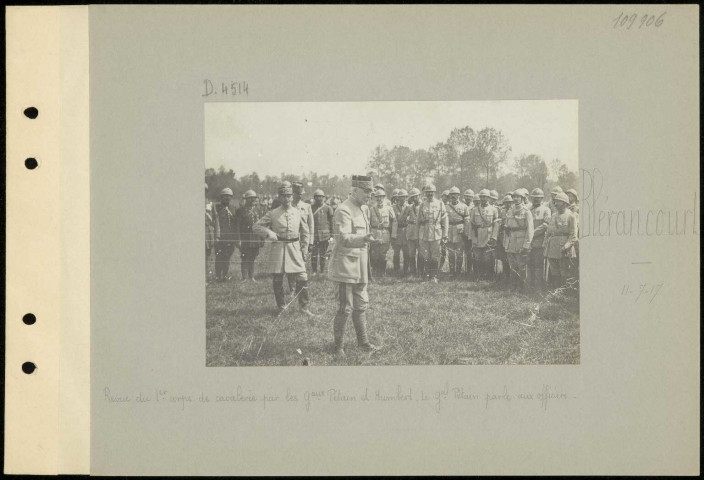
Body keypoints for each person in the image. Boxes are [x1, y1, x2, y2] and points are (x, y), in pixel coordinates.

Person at [328, 175, 381, 357]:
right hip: (345, 266)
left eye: (371, 192)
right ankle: (338, 347)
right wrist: (363, 239)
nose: (369, 195)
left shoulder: (364, 208)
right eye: (366, 192)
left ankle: (363, 343)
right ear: (356, 190)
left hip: (361, 266)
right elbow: (342, 238)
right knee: (345, 307)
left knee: (361, 304)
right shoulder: (343, 210)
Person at [253, 182, 313, 316]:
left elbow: (305, 231)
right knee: (278, 278)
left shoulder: (298, 212)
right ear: (279, 197)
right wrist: (270, 234)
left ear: (292, 197)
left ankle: (304, 308)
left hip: (295, 248)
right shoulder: (273, 213)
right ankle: (281, 307)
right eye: (283, 196)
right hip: (278, 248)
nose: (286, 199)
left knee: (302, 275)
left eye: (289, 196)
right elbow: (256, 226)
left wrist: (305, 247)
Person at [543, 192, 577, 288]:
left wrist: (566, 246)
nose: (556, 204)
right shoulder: (553, 215)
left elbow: (573, 236)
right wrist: (545, 243)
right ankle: (555, 290)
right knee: (554, 270)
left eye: (559, 202)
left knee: (564, 270)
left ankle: (563, 292)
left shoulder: (571, 216)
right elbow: (549, 231)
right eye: (555, 202)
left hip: (564, 248)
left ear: (565, 203)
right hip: (552, 246)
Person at [503, 189, 534, 291]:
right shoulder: (510, 211)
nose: (516, 199)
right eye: (514, 197)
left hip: (521, 242)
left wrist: (526, 245)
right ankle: (513, 286)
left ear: (522, 198)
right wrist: (505, 243)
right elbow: (507, 227)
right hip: (510, 241)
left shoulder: (526, 212)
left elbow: (530, 230)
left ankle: (523, 287)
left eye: (518, 197)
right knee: (512, 265)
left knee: (522, 266)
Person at [417, 184, 448, 283]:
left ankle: (433, 276)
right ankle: (426, 276)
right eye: (427, 192)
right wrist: (418, 234)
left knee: (435, 255)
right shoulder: (422, 204)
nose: (429, 194)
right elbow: (418, 220)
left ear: (434, 193)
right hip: (424, 233)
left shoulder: (440, 204)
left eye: (431, 192)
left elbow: (445, 220)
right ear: (425, 193)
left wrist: (445, 235)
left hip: (436, 233)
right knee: (425, 255)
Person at [469, 189, 500, 280]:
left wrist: (494, 236)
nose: (483, 199)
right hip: (477, 234)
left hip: (488, 235)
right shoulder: (474, 210)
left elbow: (496, 224)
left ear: (489, 198)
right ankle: (479, 275)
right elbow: (471, 224)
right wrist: (471, 237)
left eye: (485, 197)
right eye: (481, 197)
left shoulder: (493, 209)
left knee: (488, 256)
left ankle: (488, 275)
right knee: (478, 256)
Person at [234, 190, 262, 282]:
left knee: (253, 257)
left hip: (255, 237)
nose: (253, 200)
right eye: (250, 198)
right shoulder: (240, 211)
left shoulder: (257, 210)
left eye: (254, 198)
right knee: (245, 257)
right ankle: (244, 277)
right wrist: (238, 240)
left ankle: (252, 277)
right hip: (245, 237)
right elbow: (237, 226)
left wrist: (262, 238)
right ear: (246, 199)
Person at [369, 187, 397, 278]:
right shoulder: (372, 209)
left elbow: (394, 221)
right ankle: (376, 272)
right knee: (375, 254)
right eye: (377, 197)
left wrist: (393, 235)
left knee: (383, 254)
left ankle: (382, 272)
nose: (379, 199)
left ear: (384, 197)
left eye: (381, 197)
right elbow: (368, 223)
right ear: (375, 198)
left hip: (385, 233)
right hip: (375, 233)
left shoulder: (389, 208)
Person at [528, 188, 551, 289]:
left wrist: (532, 233)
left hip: (539, 241)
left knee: (538, 265)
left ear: (542, 198)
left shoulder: (546, 210)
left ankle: (537, 286)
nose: (536, 200)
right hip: (528, 242)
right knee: (529, 264)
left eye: (538, 198)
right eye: (534, 198)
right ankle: (529, 285)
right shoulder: (528, 209)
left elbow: (546, 224)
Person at [445, 187, 470, 277]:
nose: (453, 196)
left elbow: (467, 221)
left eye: (455, 194)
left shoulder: (464, 207)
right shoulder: (446, 207)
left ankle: (458, 272)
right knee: (451, 252)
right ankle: (452, 271)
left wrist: (466, 233)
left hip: (460, 231)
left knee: (459, 252)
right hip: (449, 230)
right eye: (451, 195)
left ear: (459, 195)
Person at [213, 187, 237, 281]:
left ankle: (225, 275)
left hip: (230, 237)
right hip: (220, 237)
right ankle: (218, 276)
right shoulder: (216, 208)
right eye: (225, 196)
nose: (227, 198)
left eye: (229, 196)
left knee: (227, 256)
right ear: (221, 197)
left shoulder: (233, 208)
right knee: (219, 256)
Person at [311, 189, 334, 276]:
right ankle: (314, 271)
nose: (319, 199)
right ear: (314, 198)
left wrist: (332, 235)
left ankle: (322, 271)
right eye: (317, 197)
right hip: (314, 235)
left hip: (325, 235)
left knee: (323, 254)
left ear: (324, 198)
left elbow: (332, 223)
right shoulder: (311, 208)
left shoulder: (328, 208)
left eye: (321, 197)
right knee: (314, 254)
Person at [400, 188, 421, 276]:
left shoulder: (423, 206)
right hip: (411, 231)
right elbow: (402, 219)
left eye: (415, 197)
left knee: (421, 252)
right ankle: (413, 271)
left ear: (419, 196)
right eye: (412, 197)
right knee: (411, 252)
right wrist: (408, 222)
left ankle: (420, 271)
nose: (414, 199)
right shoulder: (408, 207)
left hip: (421, 231)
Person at [391, 189, 409, 275]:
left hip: (406, 231)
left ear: (406, 198)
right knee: (396, 252)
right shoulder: (393, 207)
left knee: (406, 252)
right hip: (397, 231)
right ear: (398, 198)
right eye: (401, 197)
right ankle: (396, 269)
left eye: (404, 197)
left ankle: (406, 269)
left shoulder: (409, 207)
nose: (402, 199)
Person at [462, 189, 475, 276]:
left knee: (471, 251)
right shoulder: (461, 206)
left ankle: (470, 270)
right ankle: (464, 269)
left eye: (469, 196)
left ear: (472, 197)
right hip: (461, 231)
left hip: (472, 231)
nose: (468, 198)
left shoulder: (474, 207)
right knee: (463, 250)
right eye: (466, 196)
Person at [205, 184, 216, 281]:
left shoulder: (210, 203)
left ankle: (206, 278)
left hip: (207, 231)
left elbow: (213, 219)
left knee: (206, 255)